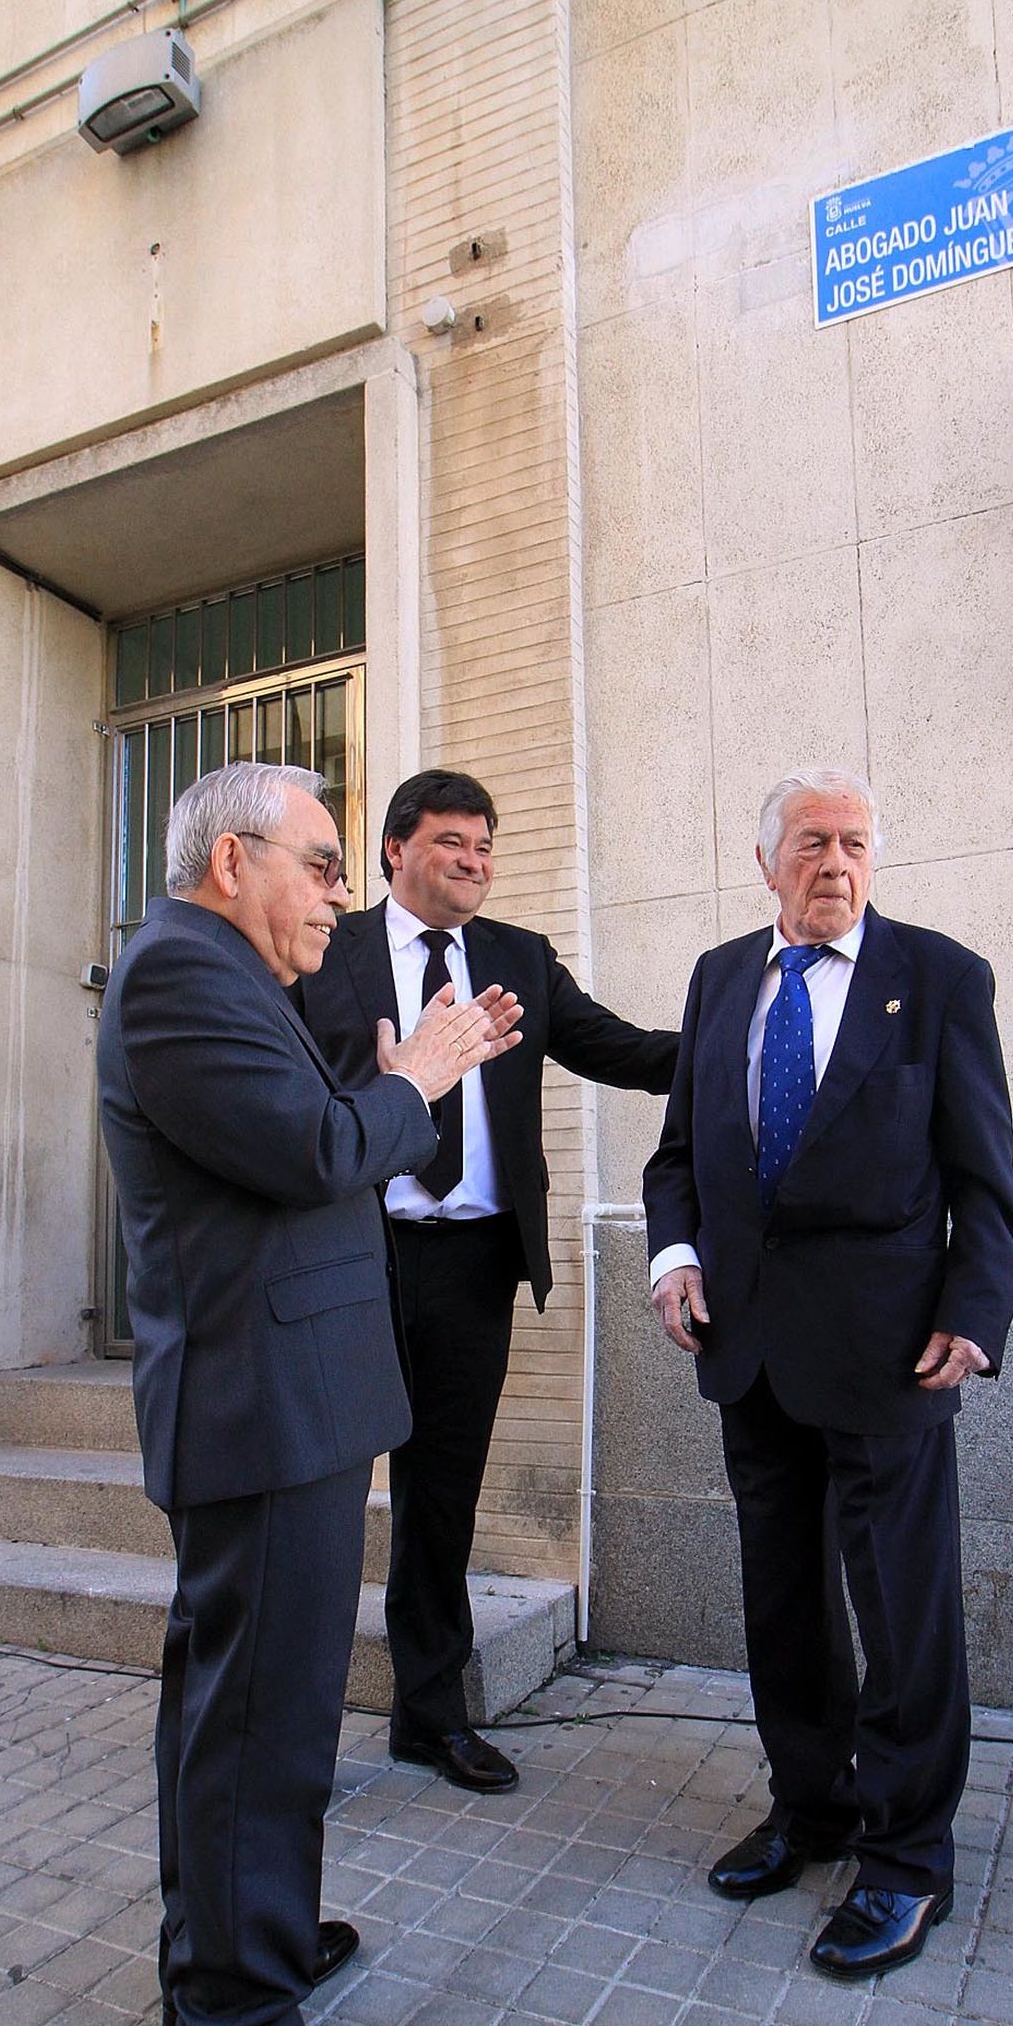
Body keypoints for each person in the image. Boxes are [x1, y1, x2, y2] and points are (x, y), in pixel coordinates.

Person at [97, 761, 521, 2026]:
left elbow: (306, 1143)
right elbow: (318, 1149)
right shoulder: (178, 976)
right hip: (261, 1410)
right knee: (262, 1734)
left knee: (243, 1718)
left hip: (291, 1404)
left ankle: (235, 1948)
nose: (342, 893)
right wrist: (422, 1077)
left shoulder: (233, 978)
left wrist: (404, 1076)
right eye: (324, 862)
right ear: (232, 862)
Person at [644, 767, 1013, 1977]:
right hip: (748, 1349)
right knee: (785, 1601)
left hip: (889, 1354)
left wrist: (975, 1311)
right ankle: (809, 1809)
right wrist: (671, 1255)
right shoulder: (718, 976)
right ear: (766, 860)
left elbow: (985, 1178)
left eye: (855, 841)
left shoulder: (939, 977)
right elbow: (678, 1157)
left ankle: (907, 1856)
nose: (835, 861)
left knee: (903, 1614)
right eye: (811, 840)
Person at [298, 768, 678, 1792]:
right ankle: (289, 1729)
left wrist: (736, 1046)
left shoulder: (517, 958)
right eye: (452, 841)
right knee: (321, 1488)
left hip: (469, 1260)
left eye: (484, 845)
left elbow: (616, 1047)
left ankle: (429, 1713)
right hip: (350, 1255)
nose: (473, 860)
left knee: (441, 1493)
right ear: (394, 849)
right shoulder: (325, 953)